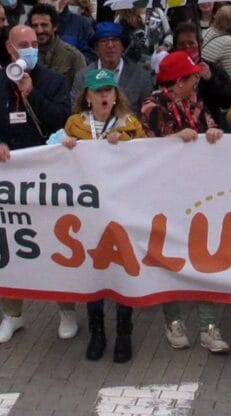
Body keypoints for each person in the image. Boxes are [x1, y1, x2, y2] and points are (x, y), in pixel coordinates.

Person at [0, 25, 70, 344]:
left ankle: (66, 310)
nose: (30, 48)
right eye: (22, 45)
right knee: (9, 247)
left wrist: (32, 94)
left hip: (45, 179)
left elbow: (63, 121)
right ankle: (12, 314)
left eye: (34, 44)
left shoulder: (52, 81)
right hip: (6, 180)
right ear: (9, 49)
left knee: (55, 247)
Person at [140, 51, 227, 353]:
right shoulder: (152, 107)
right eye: (192, 77)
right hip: (164, 195)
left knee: (204, 255)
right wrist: (174, 139)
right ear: (178, 82)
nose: (196, 81)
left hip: (198, 191)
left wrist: (213, 132)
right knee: (170, 257)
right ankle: (173, 320)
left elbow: (210, 124)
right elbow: (146, 149)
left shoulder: (195, 103)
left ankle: (208, 326)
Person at [57, 68, 146, 362]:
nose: (104, 96)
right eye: (98, 91)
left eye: (109, 90)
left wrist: (128, 145)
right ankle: (97, 331)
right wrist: (65, 146)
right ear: (88, 96)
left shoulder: (130, 124)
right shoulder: (75, 124)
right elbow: (55, 154)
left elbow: (147, 158)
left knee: (122, 268)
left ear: (116, 94)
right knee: (92, 269)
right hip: (88, 209)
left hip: (122, 206)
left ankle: (124, 331)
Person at [74, 21, 156, 110]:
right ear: (96, 48)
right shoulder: (83, 77)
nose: (110, 45)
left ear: (122, 46)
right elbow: (76, 110)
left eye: (115, 40)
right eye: (104, 41)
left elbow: (147, 113)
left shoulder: (141, 76)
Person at [32, 4, 87, 90]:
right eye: (35, 26)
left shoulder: (73, 56)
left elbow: (81, 92)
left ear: (55, 27)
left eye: (44, 25)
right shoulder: (25, 55)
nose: (39, 30)